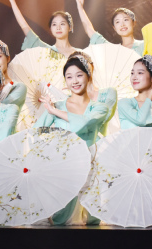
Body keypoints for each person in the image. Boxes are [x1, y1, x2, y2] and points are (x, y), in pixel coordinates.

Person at [33, 53, 110, 225]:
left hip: (91, 166)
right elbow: (35, 132)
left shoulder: (99, 108)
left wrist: (55, 112)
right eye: (69, 77)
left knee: (92, 220)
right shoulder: (57, 105)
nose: (74, 81)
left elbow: (84, 123)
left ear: (88, 76)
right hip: (64, 165)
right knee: (61, 218)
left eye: (79, 75)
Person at [0, 0, 79, 57]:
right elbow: (24, 26)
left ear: (70, 27)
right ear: (50, 29)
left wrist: (80, 6)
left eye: (62, 24)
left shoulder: (79, 53)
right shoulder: (45, 49)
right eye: (54, 24)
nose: (58, 28)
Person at [69, 0, 144, 55]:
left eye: (126, 19)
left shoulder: (144, 45)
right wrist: (80, 7)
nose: (122, 24)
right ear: (114, 28)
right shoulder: (112, 49)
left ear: (134, 22)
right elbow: (90, 30)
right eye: (117, 22)